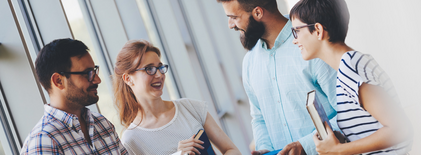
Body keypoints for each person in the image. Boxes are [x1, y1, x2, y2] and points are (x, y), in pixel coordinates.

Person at [216, 0, 340, 154]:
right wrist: (264, 149)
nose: (230, 25)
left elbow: (348, 112)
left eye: (234, 17)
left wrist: (305, 146)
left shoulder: (311, 41)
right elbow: (259, 117)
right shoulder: (249, 62)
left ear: (258, 13)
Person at [290, 0, 413, 154]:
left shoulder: (351, 67)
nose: (295, 40)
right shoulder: (347, 69)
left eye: (297, 31)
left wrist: (338, 150)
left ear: (318, 30)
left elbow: (400, 129)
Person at [113, 40, 241, 155]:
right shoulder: (131, 140)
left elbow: (231, 150)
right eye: (149, 69)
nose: (159, 74)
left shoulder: (190, 107)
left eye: (160, 67)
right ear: (128, 79)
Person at [20, 38, 128, 154]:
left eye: (94, 71)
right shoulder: (44, 141)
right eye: (87, 73)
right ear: (58, 81)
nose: (97, 80)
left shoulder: (102, 124)